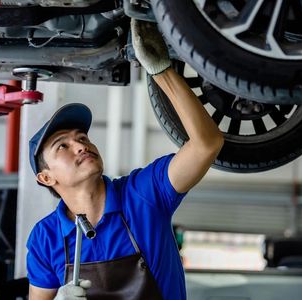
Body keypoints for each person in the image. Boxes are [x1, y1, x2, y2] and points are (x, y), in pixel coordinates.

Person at [25, 19, 224, 300]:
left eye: (82, 138)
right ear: (46, 177)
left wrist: (162, 71)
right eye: (63, 146)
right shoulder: (45, 238)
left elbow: (207, 144)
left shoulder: (144, 194)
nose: (81, 146)